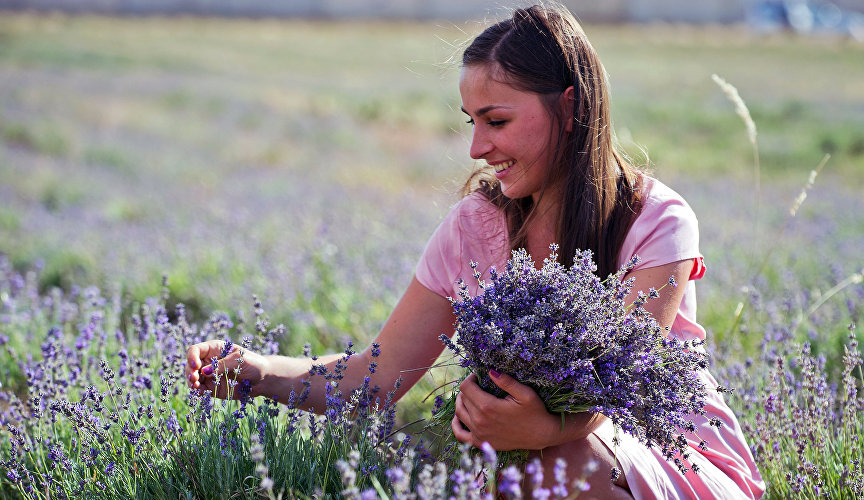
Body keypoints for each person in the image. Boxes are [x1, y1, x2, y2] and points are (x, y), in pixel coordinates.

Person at [185, 4, 765, 498]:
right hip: (524, 453)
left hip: (675, 459)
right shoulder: (475, 228)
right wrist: (256, 372)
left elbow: (615, 388)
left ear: (569, 108)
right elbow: (372, 379)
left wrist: (541, 429)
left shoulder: (654, 219)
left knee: (558, 465)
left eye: (497, 120)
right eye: (470, 121)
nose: (475, 147)